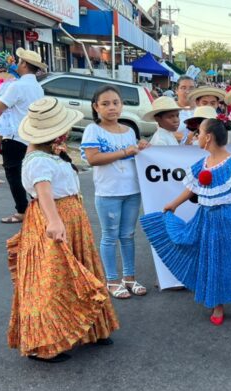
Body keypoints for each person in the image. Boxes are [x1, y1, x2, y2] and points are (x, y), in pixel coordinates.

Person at [140, 118, 231, 325]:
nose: (196, 136)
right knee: (213, 260)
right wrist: (173, 205)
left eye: (199, 132)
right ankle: (217, 304)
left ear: (208, 137)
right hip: (207, 222)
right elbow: (190, 189)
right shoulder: (201, 164)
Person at [7, 97, 119, 363]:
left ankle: (90, 329)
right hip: (54, 218)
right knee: (53, 280)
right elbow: (43, 192)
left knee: (81, 271)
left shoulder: (49, 153)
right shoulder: (37, 160)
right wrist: (54, 222)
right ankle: (45, 343)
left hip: (71, 217)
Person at [80, 85, 150, 300]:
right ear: (96, 107)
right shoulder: (93, 130)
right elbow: (92, 158)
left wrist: (140, 148)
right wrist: (124, 152)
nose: (112, 108)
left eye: (116, 103)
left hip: (132, 190)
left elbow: (133, 156)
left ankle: (129, 278)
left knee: (128, 235)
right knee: (110, 236)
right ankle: (111, 280)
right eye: (105, 104)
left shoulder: (129, 131)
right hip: (108, 192)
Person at [0, 48, 46, 224]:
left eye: (19, 61)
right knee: (30, 174)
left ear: (23, 64)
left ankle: (22, 211)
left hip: (15, 136)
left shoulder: (17, 86)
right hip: (32, 136)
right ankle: (43, 207)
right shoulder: (37, 88)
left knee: (14, 175)